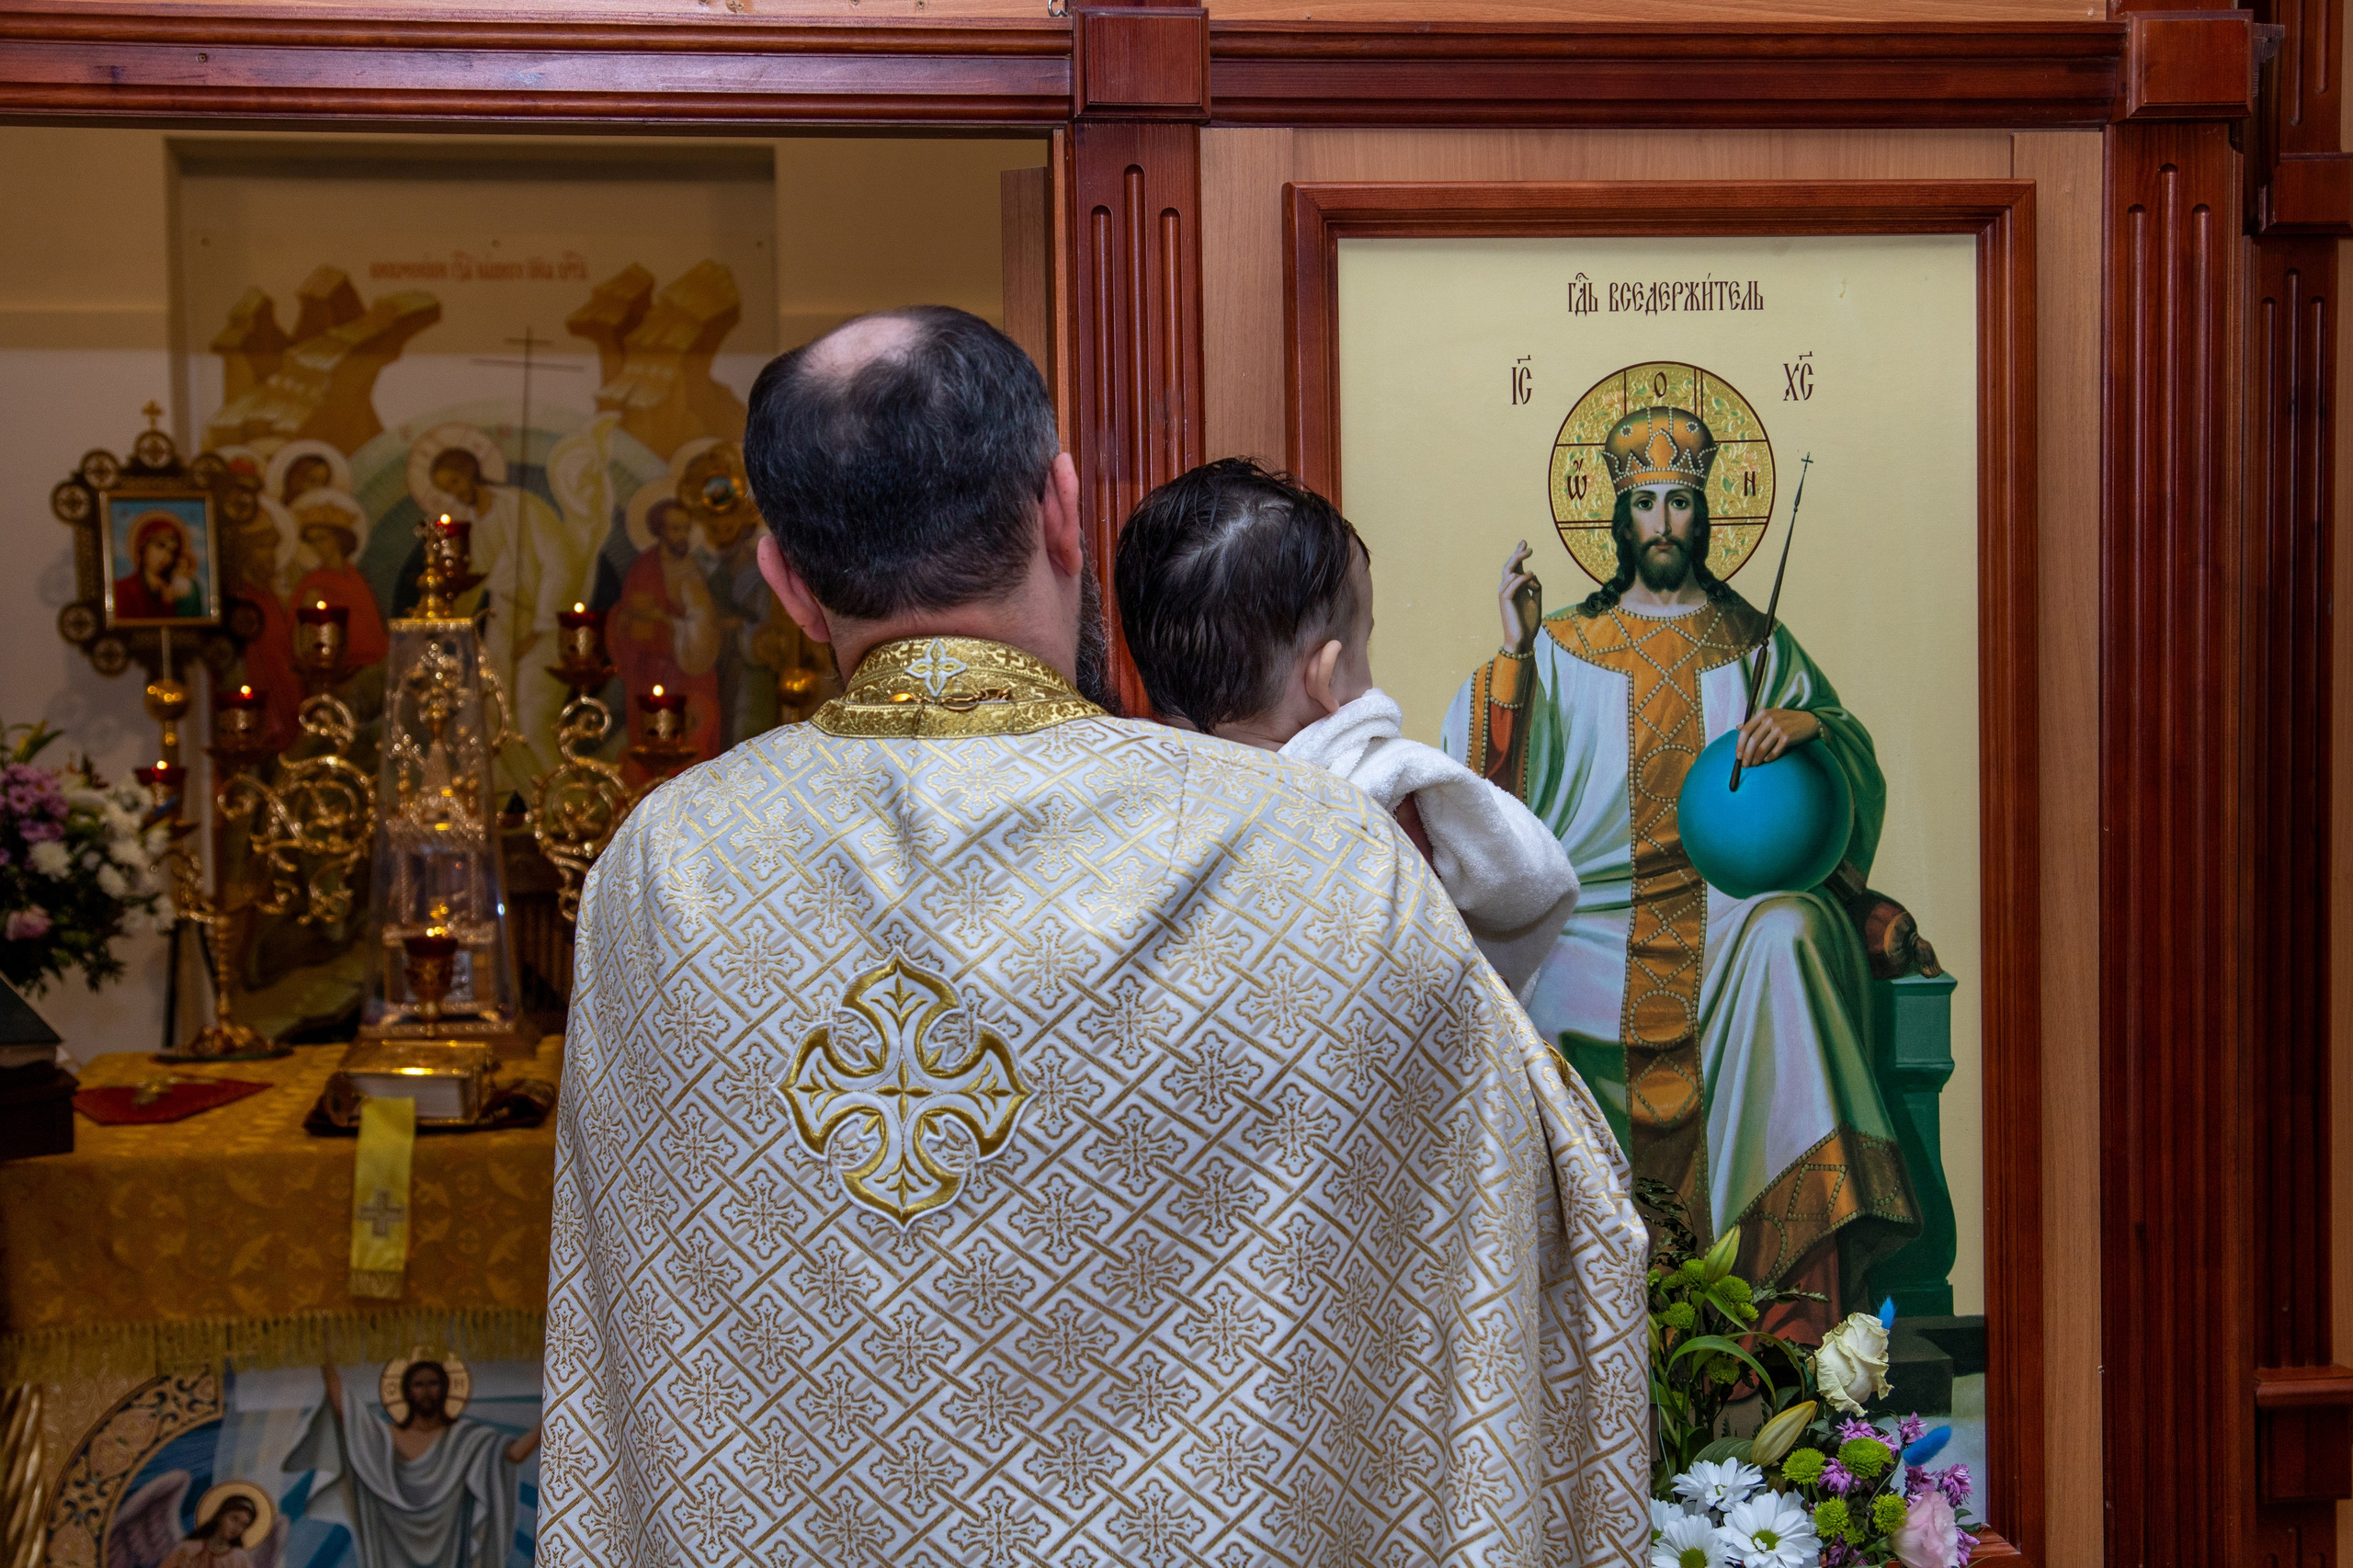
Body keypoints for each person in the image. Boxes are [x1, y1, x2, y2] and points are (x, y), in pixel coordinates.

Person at [540, 306, 1649, 1568]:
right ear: (1063, 507)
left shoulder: (662, 872)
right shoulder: (1308, 851)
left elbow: (638, 1347)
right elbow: (1537, 1223)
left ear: (786, 578)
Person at [1443, 403, 1918, 1316]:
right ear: (1618, 521)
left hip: (1730, 904)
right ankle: (1552, 1311)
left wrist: (1810, 726)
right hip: (1595, 908)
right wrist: (1513, 650)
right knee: (1524, 977)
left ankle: (1787, 1307)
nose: (1662, 521)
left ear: (1708, 517)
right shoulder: (1562, 646)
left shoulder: (1758, 644)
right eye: (1646, 503)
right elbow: (1483, 786)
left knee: (1788, 933)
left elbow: (1842, 762)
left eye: (1681, 502)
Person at [1116, 457, 1578, 993]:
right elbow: (1445, 973)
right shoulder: (1376, 802)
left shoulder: (1140, 805)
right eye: (1367, 639)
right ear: (1326, 678)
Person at [290, 1358, 540, 1568]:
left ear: (445, 1389)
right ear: (406, 1391)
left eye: (433, 1383)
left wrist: (556, 1415)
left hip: (452, 1552)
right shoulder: (385, 1440)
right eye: (418, 1384)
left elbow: (513, 1455)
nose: (426, 1391)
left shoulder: (467, 1440)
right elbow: (345, 1411)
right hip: (390, 1552)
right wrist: (324, 1360)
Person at [608, 497, 722, 768]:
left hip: (694, 672)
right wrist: (659, 621)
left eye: (685, 529)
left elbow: (705, 621)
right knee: (653, 752)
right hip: (653, 673)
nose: (682, 536)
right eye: (675, 529)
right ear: (660, 531)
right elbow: (633, 623)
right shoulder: (645, 569)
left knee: (697, 742)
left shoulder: (695, 568)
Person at [114, 513, 203, 619]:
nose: (166, 556)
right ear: (142, 546)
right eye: (160, 546)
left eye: (172, 551)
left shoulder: (186, 589)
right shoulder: (122, 590)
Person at [160, 1494, 259, 1568]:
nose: (237, 1527)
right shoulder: (188, 1548)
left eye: (243, 1525)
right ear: (221, 1516)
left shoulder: (240, 1558)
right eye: (234, 1519)